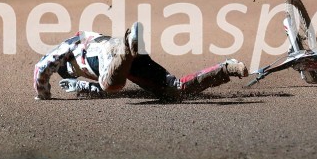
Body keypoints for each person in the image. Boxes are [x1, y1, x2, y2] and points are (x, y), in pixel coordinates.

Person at [33, 22, 248, 100]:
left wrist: (44, 94)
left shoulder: (75, 44)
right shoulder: (85, 60)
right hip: (123, 59)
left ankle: (129, 44)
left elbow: (42, 67)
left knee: (112, 84)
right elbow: (105, 87)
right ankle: (227, 68)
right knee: (175, 92)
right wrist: (84, 87)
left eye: (68, 70)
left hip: (110, 52)